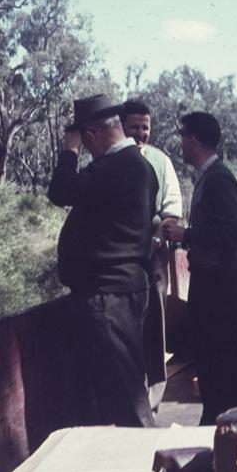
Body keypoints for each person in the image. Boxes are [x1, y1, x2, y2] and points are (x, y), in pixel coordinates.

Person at [47, 94, 158, 427]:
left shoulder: (115, 166)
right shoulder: (138, 167)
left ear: (91, 135)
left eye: (84, 141)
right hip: (118, 293)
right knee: (118, 393)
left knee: (128, 400)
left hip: (109, 297)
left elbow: (60, 191)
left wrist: (69, 150)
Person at [161, 112, 237, 425]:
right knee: (212, 354)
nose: (181, 143)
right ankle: (218, 418)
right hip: (211, 279)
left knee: (225, 354)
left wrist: (185, 234)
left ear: (195, 140)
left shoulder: (218, 178)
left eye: (183, 136)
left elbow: (233, 231)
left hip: (219, 282)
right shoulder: (207, 178)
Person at [120, 98, 183, 413]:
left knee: (155, 318)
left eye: (145, 127)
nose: (141, 133)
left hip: (154, 255)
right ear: (122, 127)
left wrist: (157, 239)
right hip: (121, 259)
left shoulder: (161, 161)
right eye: (134, 127)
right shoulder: (112, 162)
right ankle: (131, 393)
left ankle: (155, 391)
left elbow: (172, 209)